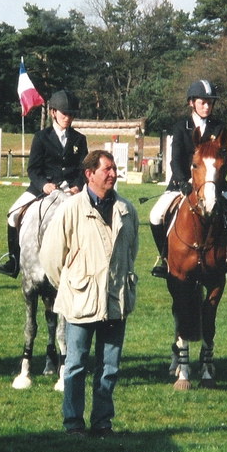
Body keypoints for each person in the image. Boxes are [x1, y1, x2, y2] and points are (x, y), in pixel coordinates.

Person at [40, 150, 138, 437]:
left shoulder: (127, 209)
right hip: (80, 302)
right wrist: (73, 285)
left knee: (109, 367)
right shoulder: (70, 209)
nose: (113, 174)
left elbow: (131, 251)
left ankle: (102, 422)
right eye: (107, 169)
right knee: (75, 365)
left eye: (114, 169)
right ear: (89, 174)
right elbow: (50, 257)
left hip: (115, 301)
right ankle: (73, 424)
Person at [149, 79, 227, 281]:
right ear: (191, 103)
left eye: (210, 102)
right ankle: (164, 258)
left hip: (214, 185)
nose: (207, 106)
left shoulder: (219, 127)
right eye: (202, 102)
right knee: (155, 215)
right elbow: (175, 161)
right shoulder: (180, 127)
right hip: (182, 185)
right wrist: (182, 181)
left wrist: (216, 184)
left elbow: (223, 161)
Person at [0, 90, 88, 278]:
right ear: (53, 112)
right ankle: (14, 260)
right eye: (64, 114)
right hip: (44, 188)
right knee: (13, 215)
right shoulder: (41, 137)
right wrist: (44, 185)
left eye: (71, 114)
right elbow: (33, 170)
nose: (68, 118)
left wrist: (77, 186)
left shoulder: (79, 139)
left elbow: (83, 170)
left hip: (71, 190)